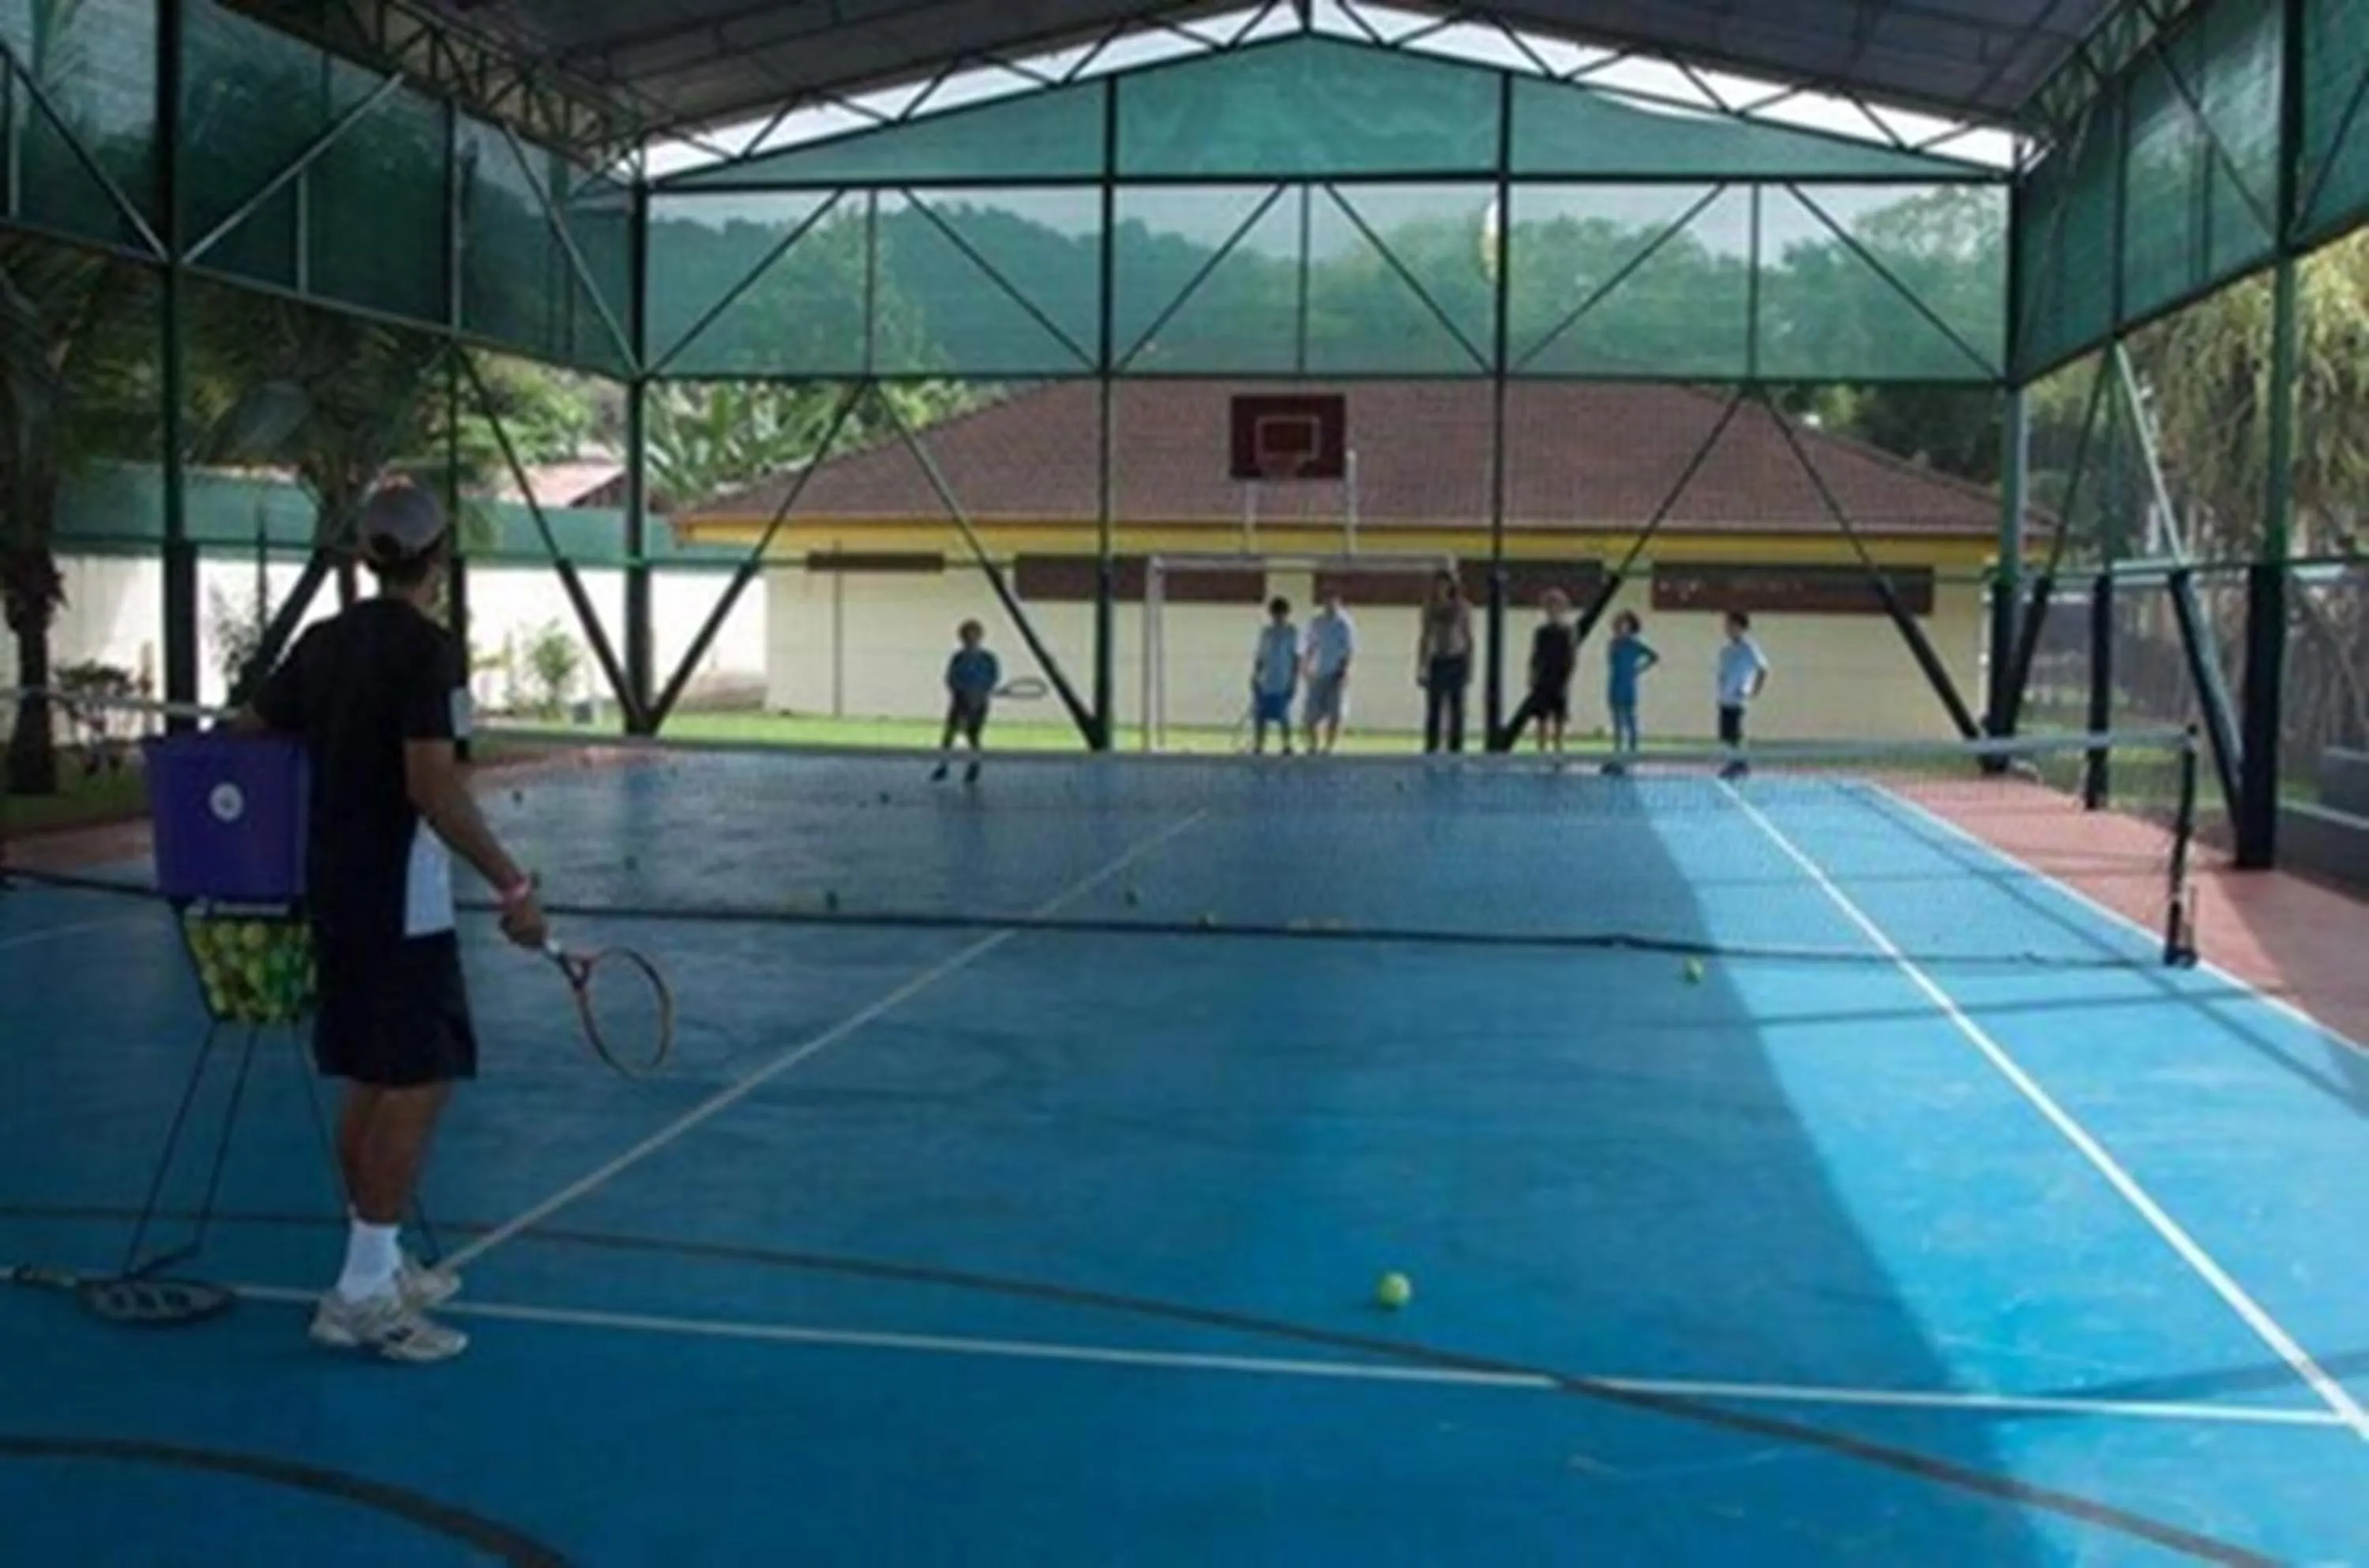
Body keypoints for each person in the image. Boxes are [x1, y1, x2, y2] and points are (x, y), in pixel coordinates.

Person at [241, 481, 546, 1364]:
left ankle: (376, 1259)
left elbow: (247, 730)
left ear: (366, 558)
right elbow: (433, 785)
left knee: (371, 1079)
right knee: (418, 1077)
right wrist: (513, 886)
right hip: (400, 902)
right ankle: (364, 1294)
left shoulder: (324, 643)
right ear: (439, 561)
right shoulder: (429, 652)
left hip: (332, 891)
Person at [933, 619, 998, 784]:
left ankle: (974, 767)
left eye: (974, 635)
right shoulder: (958, 658)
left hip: (979, 704)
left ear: (980, 637)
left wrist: (979, 693)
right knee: (949, 734)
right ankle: (943, 766)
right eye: (967, 636)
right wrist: (962, 693)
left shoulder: (988, 659)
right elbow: (950, 678)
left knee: (973, 736)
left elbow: (992, 678)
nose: (970, 639)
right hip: (960, 701)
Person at [1417, 569, 1474, 754]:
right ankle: (1432, 747)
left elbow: (1468, 637)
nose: (1442, 588)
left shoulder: (1462, 607)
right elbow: (1425, 636)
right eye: (1438, 584)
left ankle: (1456, 748)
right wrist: (1421, 665)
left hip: (1456, 659)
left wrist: (1469, 665)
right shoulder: (1429, 607)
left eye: (1445, 584)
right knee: (1434, 707)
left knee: (1456, 708)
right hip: (1437, 660)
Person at [1715, 610, 1771, 779]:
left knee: (1735, 732)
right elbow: (1723, 673)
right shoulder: (1726, 650)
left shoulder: (1749, 647)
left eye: (1731, 625)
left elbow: (1763, 668)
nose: (1727, 628)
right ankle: (1735, 762)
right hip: (1724, 697)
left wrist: (1754, 690)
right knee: (1725, 735)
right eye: (1727, 625)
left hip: (1738, 698)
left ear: (1740, 627)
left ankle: (1740, 764)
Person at [1301, 587, 1357, 755]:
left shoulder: (1344, 624)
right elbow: (1311, 646)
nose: (1329, 604)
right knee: (1311, 715)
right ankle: (1313, 746)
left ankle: (1329, 747)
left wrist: (1345, 670)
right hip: (1318, 673)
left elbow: (1349, 650)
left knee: (1335, 714)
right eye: (1326, 600)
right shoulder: (1316, 622)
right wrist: (1306, 666)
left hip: (1336, 674)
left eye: (1333, 600)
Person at [1524, 590, 1579, 753]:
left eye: (1556, 607)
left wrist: (1567, 677)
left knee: (1559, 716)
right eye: (1550, 607)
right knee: (1542, 717)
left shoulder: (1568, 631)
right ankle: (1541, 748)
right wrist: (1532, 675)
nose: (1553, 611)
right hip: (1543, 678)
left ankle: (1558, 748)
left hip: (1560, 677)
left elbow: (1571, 657)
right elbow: (1535, 656)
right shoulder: (1541, 632)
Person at [1248, 597, 1301, 756]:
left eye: (1281, 614)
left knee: (1283, 715)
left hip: (1283, 680)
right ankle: (1259, 745)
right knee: (1260, 715)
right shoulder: (1266, 633)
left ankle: (1287, 744)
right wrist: (1255, 676)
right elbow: (1260, 656)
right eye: (1275, 614)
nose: (1278, 617)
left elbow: (1296, 658)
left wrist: (1294, 681)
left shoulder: (1292, 633)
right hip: (1266, 680)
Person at [1605, 610, 1660, 760]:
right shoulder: (1614, 644)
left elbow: (1654, 656)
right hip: (1615, 684)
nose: (1622, 628)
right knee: (1616, 719)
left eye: (1625, 625)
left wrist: (1639, 669)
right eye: (1620, 625)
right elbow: (1612, 662)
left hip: (1628, 686)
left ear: (1630, 627)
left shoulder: (1635, 645)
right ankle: (1617, 749)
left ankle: (1633, 748)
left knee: (1630, 717)